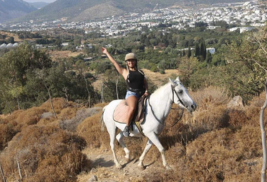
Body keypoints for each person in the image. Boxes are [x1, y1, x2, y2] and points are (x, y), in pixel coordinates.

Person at [102, 47, 149, 137]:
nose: (130, 62)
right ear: (127, 62)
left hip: (142, 93)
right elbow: (114, 63)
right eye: (128, 61)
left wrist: (146, 91)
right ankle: (127, 127)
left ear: (135, 61)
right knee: (132, 108)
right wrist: (106, 53)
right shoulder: (125, 72)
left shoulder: (141, 72)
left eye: (132, 60)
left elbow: (145, 83)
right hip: (132, 94)